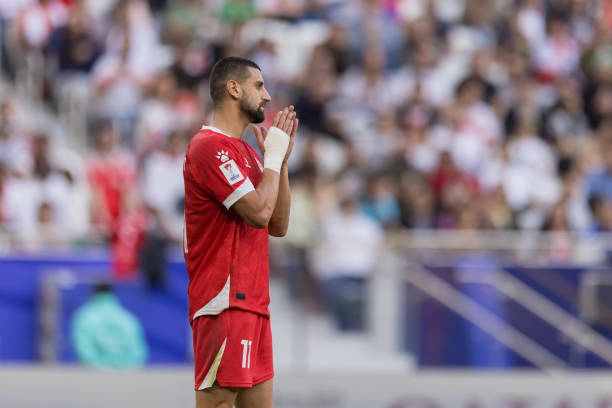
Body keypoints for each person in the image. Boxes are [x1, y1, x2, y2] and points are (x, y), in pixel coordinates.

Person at [183, 56, 298, 408]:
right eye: (259, 86)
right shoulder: (208, 148)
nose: (266, 96)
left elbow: (277, 224)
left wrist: (279, 163)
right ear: (233, 89)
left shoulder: (247, 153)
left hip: (254, 303)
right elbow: (259, 213)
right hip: (224, 301)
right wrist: (273, 161)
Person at [70, 282, 148, 369]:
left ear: (92, 293)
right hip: (127, 375)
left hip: (94, 376)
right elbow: (138, 354)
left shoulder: (83, 316)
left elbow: (84, 352)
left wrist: (102, 368)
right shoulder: (128, 318)